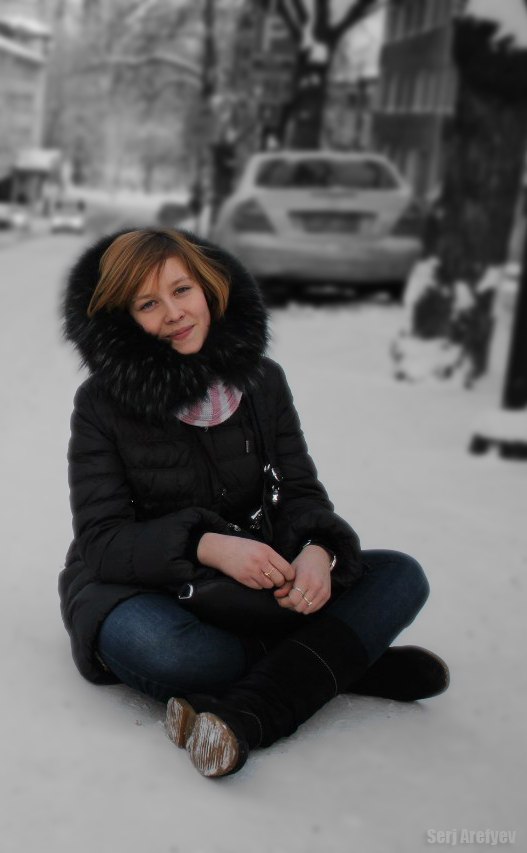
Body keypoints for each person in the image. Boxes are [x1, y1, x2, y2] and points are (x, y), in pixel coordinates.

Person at [59, 228, 449, 778]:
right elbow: (102, 540)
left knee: (401, 576)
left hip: (253, 588)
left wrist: (317, 550)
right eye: (148, 304)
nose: (173, 313)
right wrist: (207, 545)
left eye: (181, 290)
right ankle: (333, 665)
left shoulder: (263, 382)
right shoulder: (101, 404)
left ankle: (252, 705)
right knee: (172, 654)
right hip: (143, 591)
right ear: (125, 319)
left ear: (209, 287)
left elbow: (300, 489)